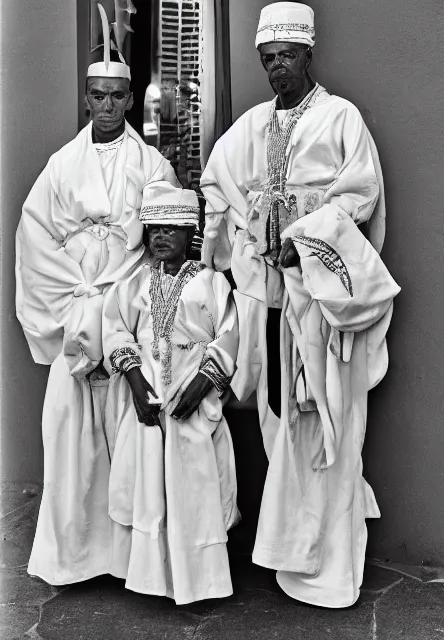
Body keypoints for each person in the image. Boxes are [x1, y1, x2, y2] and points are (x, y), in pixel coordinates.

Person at [200, 2, 401, 608]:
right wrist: (243, 233)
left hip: (319, 303)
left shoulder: (341, 118)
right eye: (267, 59)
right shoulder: (252, 125)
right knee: (281, 419)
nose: (277, 68)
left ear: (310, 53)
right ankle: (291, 553)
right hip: (267, 301)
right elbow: (216, 181)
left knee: (328, 421)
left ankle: (331, 563)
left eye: (286, 56)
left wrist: (303, 242)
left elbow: (359, 195)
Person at [15, 3, 179, 586]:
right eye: (98, 97)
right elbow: (35, 236)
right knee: (69, 433)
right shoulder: (61, 166)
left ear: (130, 99)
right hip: (78, 309)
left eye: (116, 96)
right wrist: (77, 296)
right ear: (87, 100)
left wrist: (124, 302)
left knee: (128, 434)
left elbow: (166, 239)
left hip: (127, 311)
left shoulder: (153, 163)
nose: (107, 106)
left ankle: (126, 559)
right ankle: (74, 556)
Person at [102, 181, 239, 604]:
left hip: (191, 404)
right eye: (155, 229)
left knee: (194, 488)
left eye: (171, 229)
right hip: (148, 404)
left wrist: (203, 384)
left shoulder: (212, 283)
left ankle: (199, 579)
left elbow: (229, 335)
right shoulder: (132, 284)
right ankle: (149, 576)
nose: (161, 236)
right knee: (148, 484)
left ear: (189, 233)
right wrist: (133, 380)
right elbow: (116, 328)